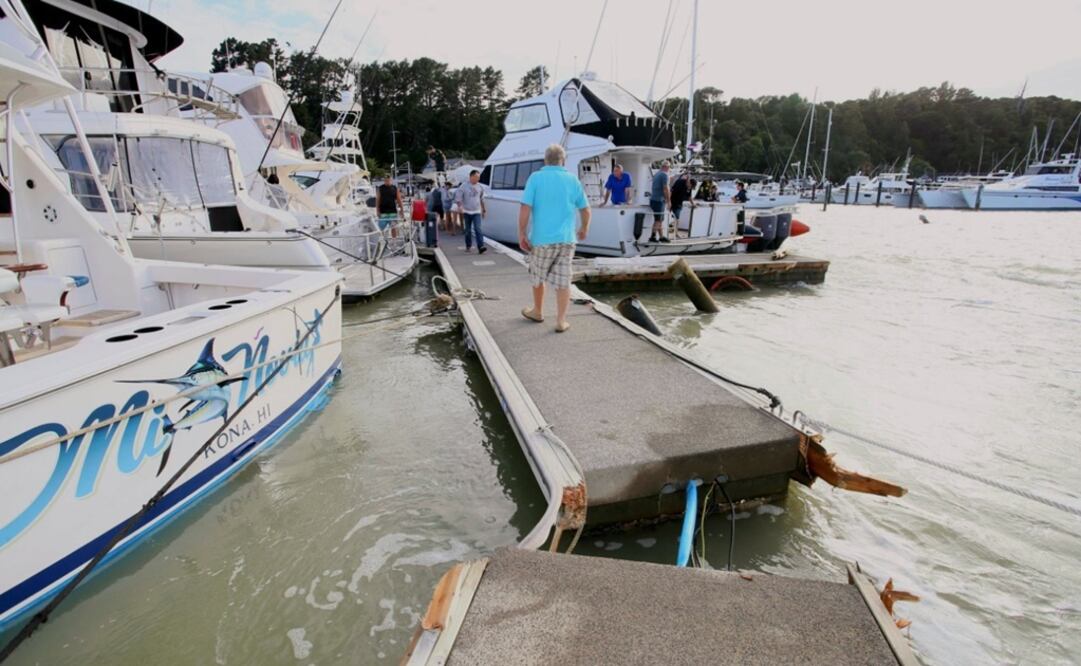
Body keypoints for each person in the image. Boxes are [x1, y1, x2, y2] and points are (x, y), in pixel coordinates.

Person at [518, 144, 590, 333]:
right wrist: (584, 228)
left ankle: (538, 311)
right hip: (566, 239)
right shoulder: (572, 179)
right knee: (563, 280)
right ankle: (560, 321)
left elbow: (525, 208)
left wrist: (522, 233)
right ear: (563, 160)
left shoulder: (536, 178)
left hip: (541, 239)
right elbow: (585, 208)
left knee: (538, 276)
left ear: (545, 160)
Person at [454, 170, 487, 254]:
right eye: (476, 177)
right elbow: (458, 198)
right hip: (466, 211)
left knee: (478, 229)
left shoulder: (480, 187)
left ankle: (481, 246)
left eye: (479, 177)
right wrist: (460, 206)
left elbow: (482, 199)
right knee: (468, 230)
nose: (478, 179)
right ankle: (468, 246)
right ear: (471, 177)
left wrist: (484, 210)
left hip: (476, 211)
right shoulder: (464, 186)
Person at [649, 161, 672, 243]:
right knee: (658, 220)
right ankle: (652, 236)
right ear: (666, 167)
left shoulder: (657, 174)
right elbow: (666, 188)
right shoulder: (664, 175)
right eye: (669, 167)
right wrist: (669, 201)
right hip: (659, 200)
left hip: (653, 199)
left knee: (659, 219)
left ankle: (661, 236)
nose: (669, 169)